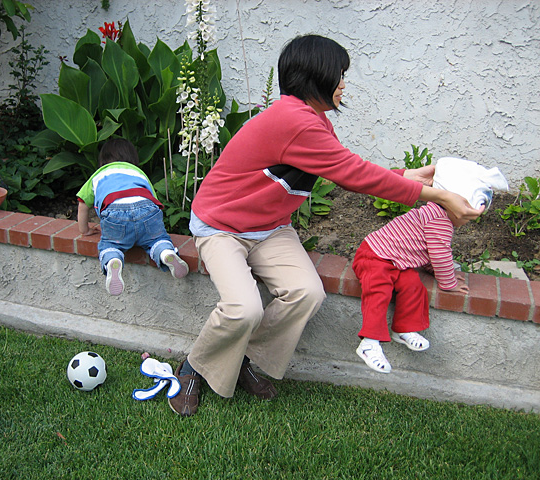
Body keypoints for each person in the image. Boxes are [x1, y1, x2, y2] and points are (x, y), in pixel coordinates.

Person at [167, 34, 483, 417]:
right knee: (243, 308)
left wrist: (409, 176)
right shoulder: (294, 121)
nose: (344, 84)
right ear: (317, 76)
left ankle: (245, 359)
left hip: (269, 227)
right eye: (340, 75)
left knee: (307, 292)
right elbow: (352, 173)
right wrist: (439, 196)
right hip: (222, 226)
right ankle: (193, 368)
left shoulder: (311, 120)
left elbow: (344, 168)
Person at [353, 157, 508, 373]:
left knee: (413, 286)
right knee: (378, 289)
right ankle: (369, 343)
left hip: (397, 261)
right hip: (375, 256)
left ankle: (404, 329)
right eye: (466, 214)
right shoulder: (440, 221)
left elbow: (426, 252)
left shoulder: (436, 214)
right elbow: (440, 253)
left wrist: (436, 271)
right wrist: (448, 283)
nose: (467, 221)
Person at [76, 138, 189, 296]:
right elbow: (153, 200)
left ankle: (113, 260)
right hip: (146, 208)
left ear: (103, 159)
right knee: (156, 239)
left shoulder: (99, 175)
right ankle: (166, 253)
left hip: (115, 212)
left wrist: (85, 230)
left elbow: (82, 203)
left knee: (110, 245)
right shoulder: (138, 173)